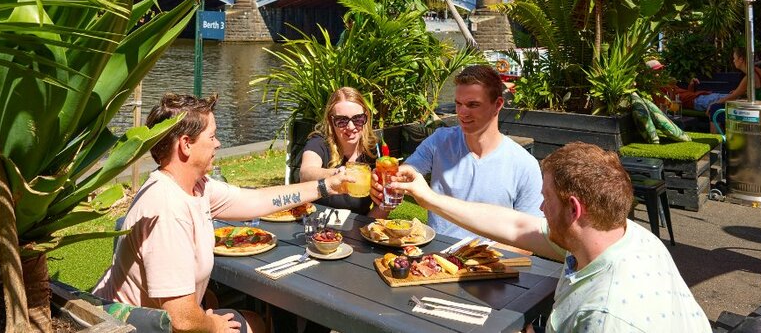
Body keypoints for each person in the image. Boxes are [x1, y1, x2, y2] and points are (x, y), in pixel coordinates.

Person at [93, 93, 351, 333]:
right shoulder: (167, 208)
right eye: (212, 136)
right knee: (254, 323)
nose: (218, 144)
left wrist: (325, 186)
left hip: (162, 320)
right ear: (186, 145)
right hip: (140, 328)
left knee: (246, 313)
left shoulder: (196, 186)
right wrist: (212, 325)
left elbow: (257, 200)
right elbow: (181, 318)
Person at [391, 142, 712, 332]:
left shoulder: (605, 317)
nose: (540, 207)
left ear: (573, 208)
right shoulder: (626, 236)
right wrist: (427, 197)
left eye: (546, 198)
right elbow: (516, 226)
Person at [370, 64, 543, 238]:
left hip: (491, 260)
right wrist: (392, 179)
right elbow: (409, 170)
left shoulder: (524, 165)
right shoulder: (440, 141)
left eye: (473, 104)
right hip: (436, 258)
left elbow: (531, 236)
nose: (462, 112)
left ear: (497, 105)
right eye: (458, 104)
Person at [298, 87, 379, 215]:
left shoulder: (373, 151)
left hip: (357, 229)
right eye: (342, 121)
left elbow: (374, 213)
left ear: (366, 118)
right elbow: (306, 173)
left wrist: (386, 204)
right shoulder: (319, 142)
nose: (351, 127)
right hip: (319, 226)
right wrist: (336, 173)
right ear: (331, 121)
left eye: (358, 119)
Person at [705, 46, 761, 131]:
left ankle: (717, 141)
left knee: (715, 109)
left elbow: (734, 95)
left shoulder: (750, 76)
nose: (733, 61)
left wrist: (713, 104)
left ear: (741, 59)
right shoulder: (756, 71)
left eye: (734, 58)